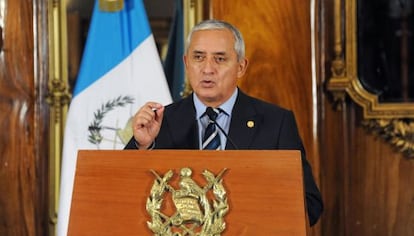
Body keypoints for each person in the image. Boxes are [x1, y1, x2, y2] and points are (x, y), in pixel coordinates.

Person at [125, 19, 323, 226]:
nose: (207, 69)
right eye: (198, 57)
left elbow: (309, 204)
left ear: (240, 67)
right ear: (186, 63)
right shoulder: (161, 122)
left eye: (219, 59)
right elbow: (119, 196)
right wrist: (143, 146)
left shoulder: (276, 122)